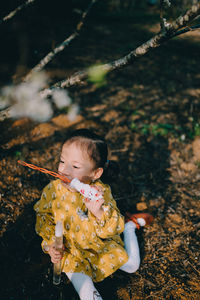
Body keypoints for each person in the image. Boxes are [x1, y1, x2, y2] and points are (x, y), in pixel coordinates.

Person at [34, 128, 153, 300]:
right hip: (70, 252)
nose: (64, 170)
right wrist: (51, 244)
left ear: (95, 173)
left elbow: (110, 230)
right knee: (87, 294)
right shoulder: (52, 191)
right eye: (62, 161)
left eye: (75, 166)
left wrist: (98, 212)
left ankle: (129, 227)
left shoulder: (101, 194)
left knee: (132, 266)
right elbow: (43, 217)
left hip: (97, 246)